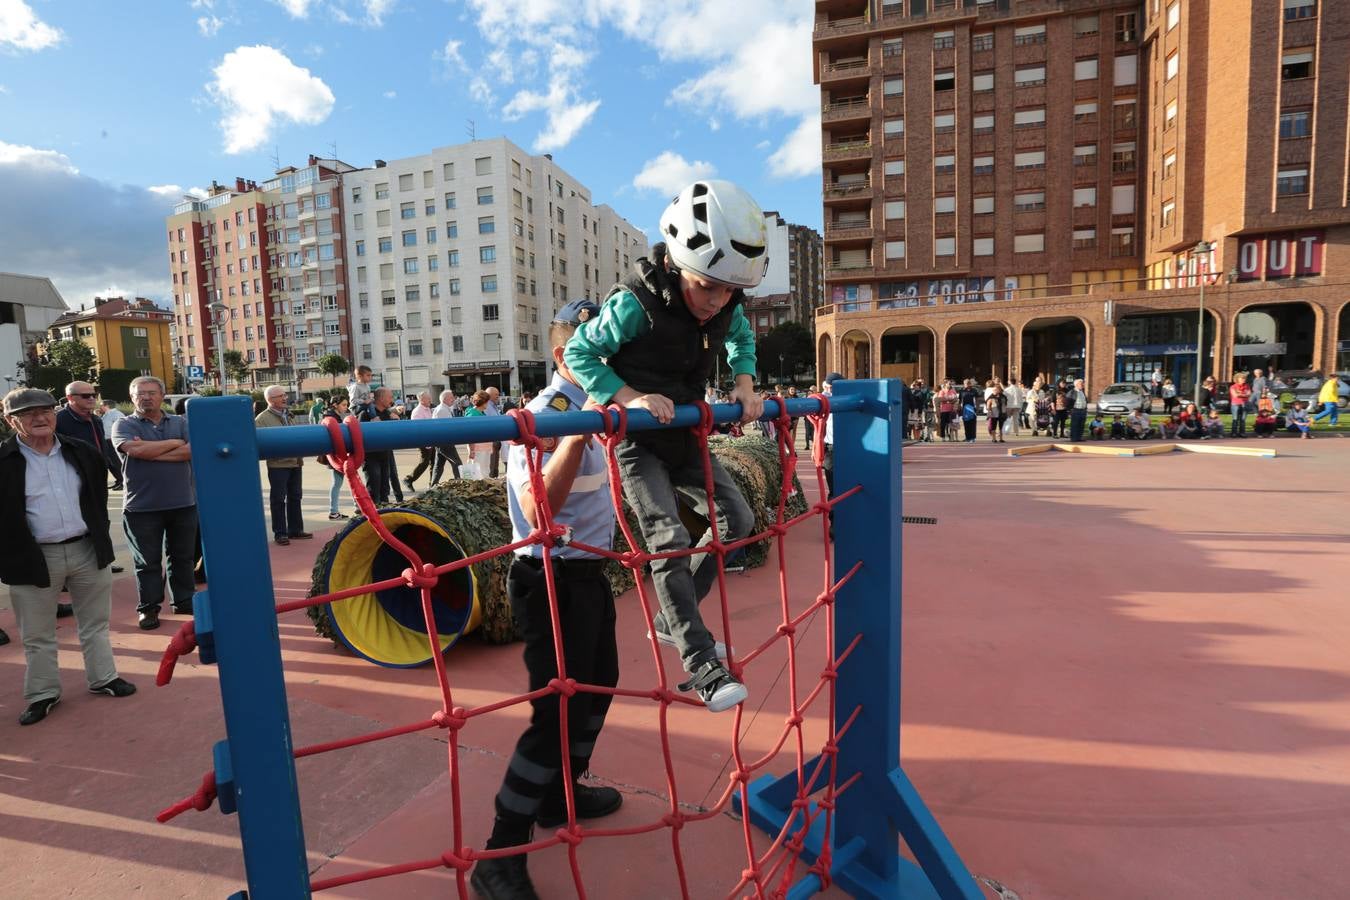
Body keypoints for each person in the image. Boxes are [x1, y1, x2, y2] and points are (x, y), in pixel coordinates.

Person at [564, 178, 761, 713]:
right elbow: (578, 353)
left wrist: (744, 383)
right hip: (638, 442)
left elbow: (742, 339)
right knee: (668, 537)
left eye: (728, 291)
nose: (716, 301)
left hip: (684, 434)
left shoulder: (725, 305)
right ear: (677, 267)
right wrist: (627, 396)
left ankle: (672, 620)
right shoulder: (637, 304)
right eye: (707, 287)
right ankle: (700, 663)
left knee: (737, 520)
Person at [471, 299, 622, 900]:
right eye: (602, 353)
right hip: (547, 577)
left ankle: (562, 794)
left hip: (590, 573)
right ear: (567, 356)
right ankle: (499, 853)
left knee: (602, 680)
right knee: (553, 709)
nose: (615, 364)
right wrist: (579, 430)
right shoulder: (543, 415)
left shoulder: (605, 405)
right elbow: (538, 511)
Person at [1, 388, 137, 725]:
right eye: (28, 413)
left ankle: (103, 678)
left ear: (55, 412)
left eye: (45, 410)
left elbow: (95, 500)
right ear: (10, 420)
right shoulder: (3, 462)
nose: (39, 418)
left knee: (95, 624)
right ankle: (43, 694)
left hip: (86, 550)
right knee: (37, 633)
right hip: (33, 558)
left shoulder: (82, 451)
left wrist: (101, 539)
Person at [110, 376, 196, 631]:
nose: (146, 397)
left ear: (162, 396)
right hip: (141, 507)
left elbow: (191, 451)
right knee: (146, 562)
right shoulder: (122, 424)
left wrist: (151, 451)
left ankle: (183, 600)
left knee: (182, 557)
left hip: (183, 503)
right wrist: (173, 444)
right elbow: (135, 451)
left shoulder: (181, 422)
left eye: (151, 392)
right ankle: (148, 608)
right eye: (140, 393)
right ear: (132, 397)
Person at [255, 386, 311, 546]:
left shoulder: (289, 415)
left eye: (285, 395)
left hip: (295, 463)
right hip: (278, 465)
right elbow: (261, 444)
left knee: (295, 496)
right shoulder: (261, 419)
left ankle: (296, 530)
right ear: (271, 400)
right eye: (281, 396)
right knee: (278, 499)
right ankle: (280, 533)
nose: (285, 397)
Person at [56, 381, 123, 491]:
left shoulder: (96, 419)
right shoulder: (59, 420)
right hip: (75, 479)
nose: (92, 398)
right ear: (70, 398)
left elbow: (101, 446)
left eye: (94, 395)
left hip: (99, 475)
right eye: (86, 396)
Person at [357, 387, 396, 504]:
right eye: (390, 397)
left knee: (385, 488)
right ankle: (373, 513)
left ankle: (384, 513)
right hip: (371, 457)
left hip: (385, 455)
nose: (392, 400)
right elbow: (358, 435)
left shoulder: (388, 414)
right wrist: (370, 426)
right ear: (381, 398)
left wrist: (396, 422)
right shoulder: (365, 414)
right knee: (374, 487)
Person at [320, 395, 351, 520]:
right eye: (343, 404)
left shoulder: (332, 416)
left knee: (338, 482)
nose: (346, 407)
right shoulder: (331, 417)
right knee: (337, 483)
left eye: (346, 404)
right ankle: (333, 511)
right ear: (335, 405)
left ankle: (334, 510)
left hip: (335, 455)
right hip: (335, 456)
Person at [403, 390, 438, 491]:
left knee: (434, 463)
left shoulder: (428, 409)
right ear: (422, 400)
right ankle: (409, 479)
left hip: (431, 439)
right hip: (424, 440)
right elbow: (417, 428)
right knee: (425, 462)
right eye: (428, 398)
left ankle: (432, 484)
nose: (430, 400)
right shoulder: (417, 411)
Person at [431, 389, 464, 484]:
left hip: (441, 442)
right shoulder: (442, 410)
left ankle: (433, 485)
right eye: (451, 398)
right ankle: (460, 484)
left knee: (439, 466)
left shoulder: (442, 408)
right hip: (445, 442)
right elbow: (447, 428)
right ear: (445, 399)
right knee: (457, 463)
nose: (453, 399)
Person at [464, 390, 494, 475]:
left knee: (484, 471)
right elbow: (469, 433)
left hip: (484, 448)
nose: (488, 404)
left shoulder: (479, 413)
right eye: (487, 402)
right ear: (483, 402)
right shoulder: (473, 415)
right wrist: (471, 449)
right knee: (478, 473)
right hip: (478, 448)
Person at [485, 386, 505, 477]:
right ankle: (492, 479)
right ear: (489, 395)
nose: (498, 396)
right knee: (492, 462)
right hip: (491, 438)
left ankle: (494, 478)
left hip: (496, 438)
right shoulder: (487, 406)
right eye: (496, 394)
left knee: (495, 461)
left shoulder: (493, 405)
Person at [1228, 372, 1252, 437]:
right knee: (1235, 419)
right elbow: (1235, 395)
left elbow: (1249, 394)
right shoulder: (1233, 387)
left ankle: (1242, 433)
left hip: (1245, 403)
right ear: (1237, 379)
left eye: (1244, 378)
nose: (1244, 380)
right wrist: (1244, 395)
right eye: (1242, 378)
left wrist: (1241, 394)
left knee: (1243, 419)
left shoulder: (1247, 386)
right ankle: (1234, 433)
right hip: (1235, 404)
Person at [958, 378, 980, 443]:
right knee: (966, 424)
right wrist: (959, 408)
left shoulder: (974, 390)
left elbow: (977, 400)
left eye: (968, 383)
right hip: (965, 410)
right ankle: (967, 437)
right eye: (966, 383)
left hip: (972, 409)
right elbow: (959, 401)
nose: (967, 384)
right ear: (964, 384)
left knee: (972, 424)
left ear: (970, 384)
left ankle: (972, 438)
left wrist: (977, 408)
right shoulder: (961, 391)